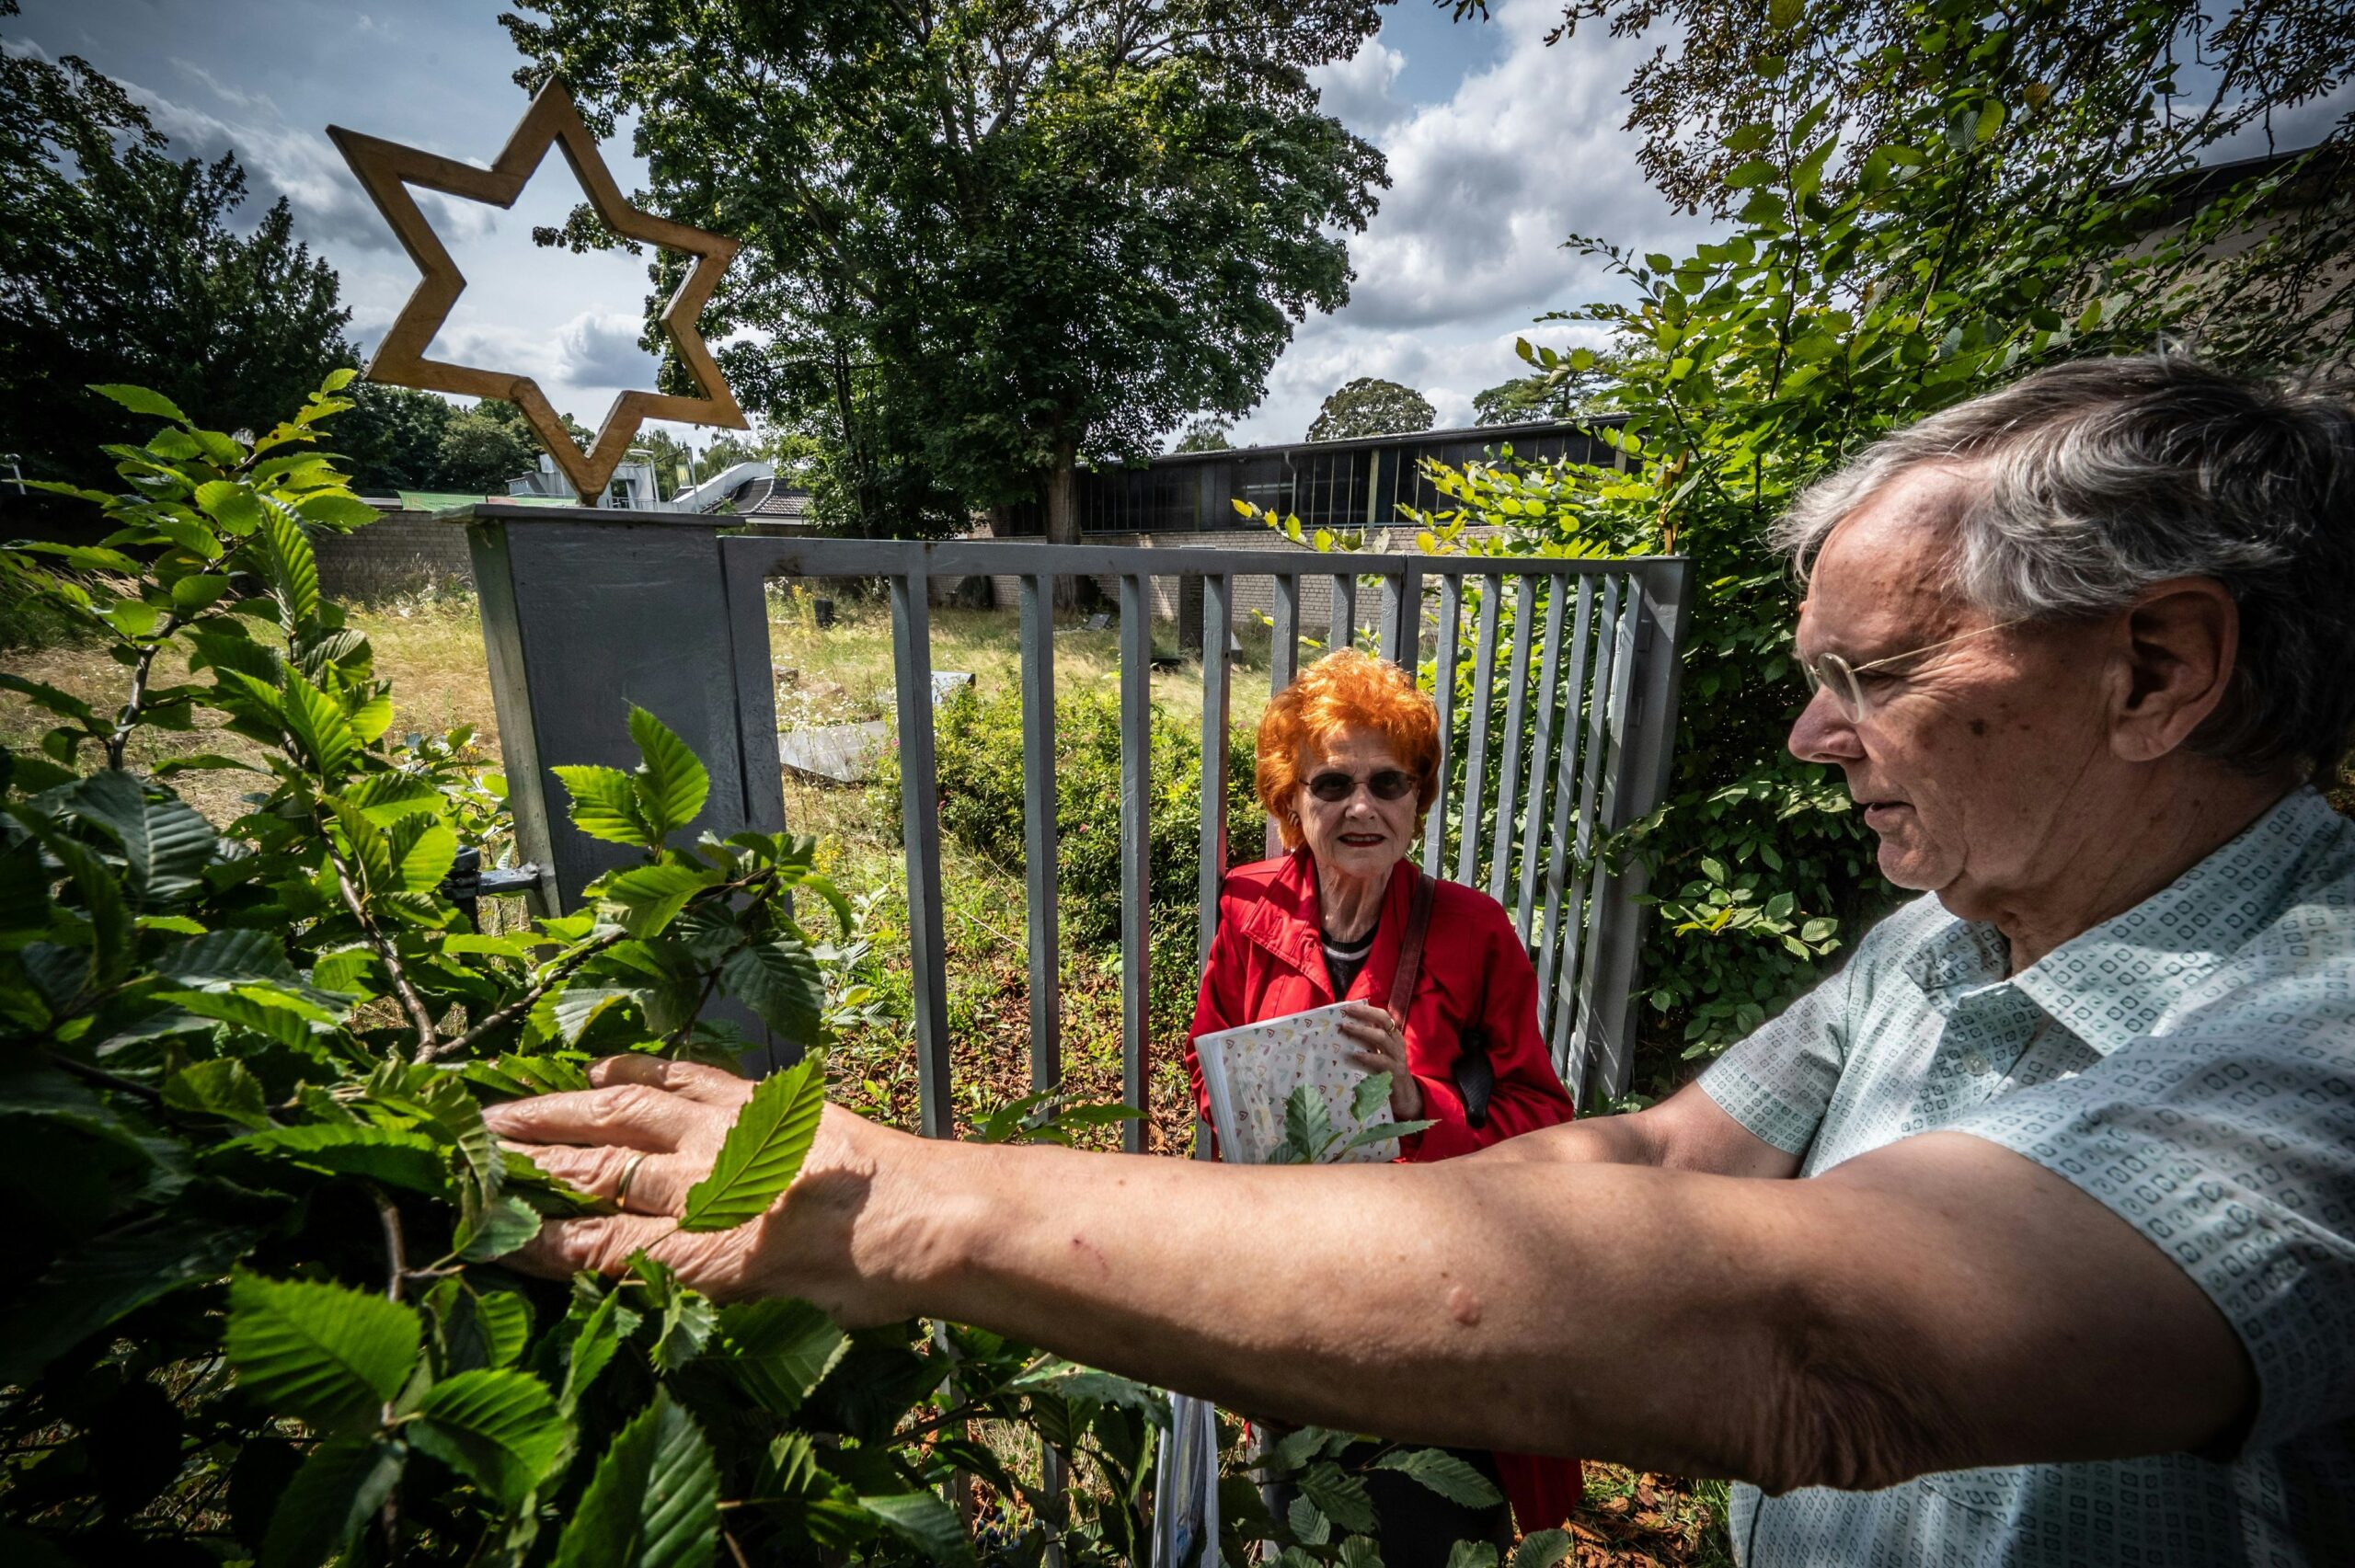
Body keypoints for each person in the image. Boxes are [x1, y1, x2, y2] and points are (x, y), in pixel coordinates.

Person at [487, 355, 2355, 1565]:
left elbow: (1813, 1333)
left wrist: (919, 1209)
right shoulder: (1926, 950)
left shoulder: (2319, 1033)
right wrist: (1244, 1227)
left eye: (1866, 675)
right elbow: (1632, 1163)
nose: (1809, 735)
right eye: (1815, 678)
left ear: (2155, 671)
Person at [1187, 647, 1582, 1552]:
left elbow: (1544, 1120)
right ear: (1292, 802)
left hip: (1437, 1298)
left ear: (1417, 801)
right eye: (1331, 783)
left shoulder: (1474, 932)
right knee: (1308, 1514)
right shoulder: (1248, 915)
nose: (1360, 806)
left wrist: (1419, 1098)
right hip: (1298, 1289)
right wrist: (1245, 1111)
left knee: (1426, 1524)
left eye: (1388, 783)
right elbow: (1207, 1062)